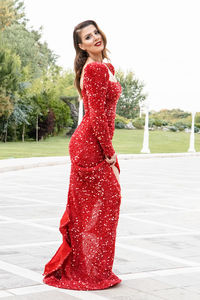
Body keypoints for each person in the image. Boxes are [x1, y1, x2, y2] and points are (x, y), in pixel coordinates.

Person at [42, 20, 122, 290]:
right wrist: (110, 153)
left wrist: (109, 150)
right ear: (81, 46)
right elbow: (98, 117)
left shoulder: (106, 67)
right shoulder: (96, 70)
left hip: (93, 142)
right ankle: (89, 272)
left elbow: (103, 115)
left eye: (96, 32)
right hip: (90, 145)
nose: (95, 37)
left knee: (101, 207)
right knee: (102, 205)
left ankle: (95, 269)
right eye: (88, 37)